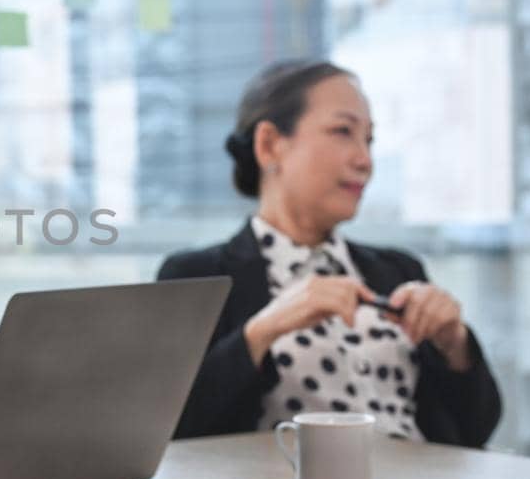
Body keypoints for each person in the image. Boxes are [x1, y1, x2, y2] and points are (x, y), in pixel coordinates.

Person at [158, 60, 501, 446]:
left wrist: (455, 343)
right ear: (269, 144)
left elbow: (477, 432)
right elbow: (170, 429)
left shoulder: (398, 269)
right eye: (343, 132)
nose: (365, 161)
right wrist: (263, 330)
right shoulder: (199, 276)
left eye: (369, 140)